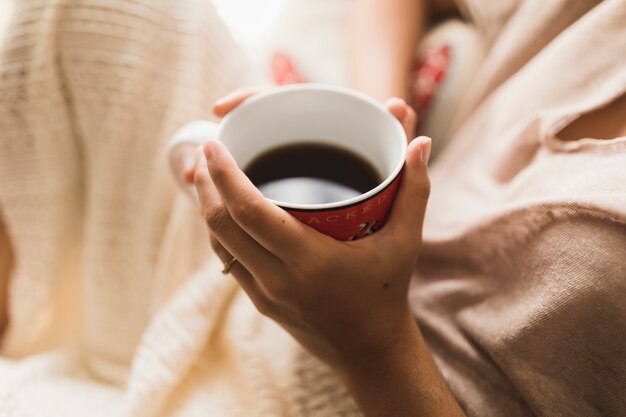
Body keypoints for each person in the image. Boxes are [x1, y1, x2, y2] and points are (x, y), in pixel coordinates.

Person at [1, 1, 625, 417]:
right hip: (312, 266)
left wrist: (369, 344)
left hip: (379, 378)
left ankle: (111, 358)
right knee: (82, 12)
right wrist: (369, 112)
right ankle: (66, 333)